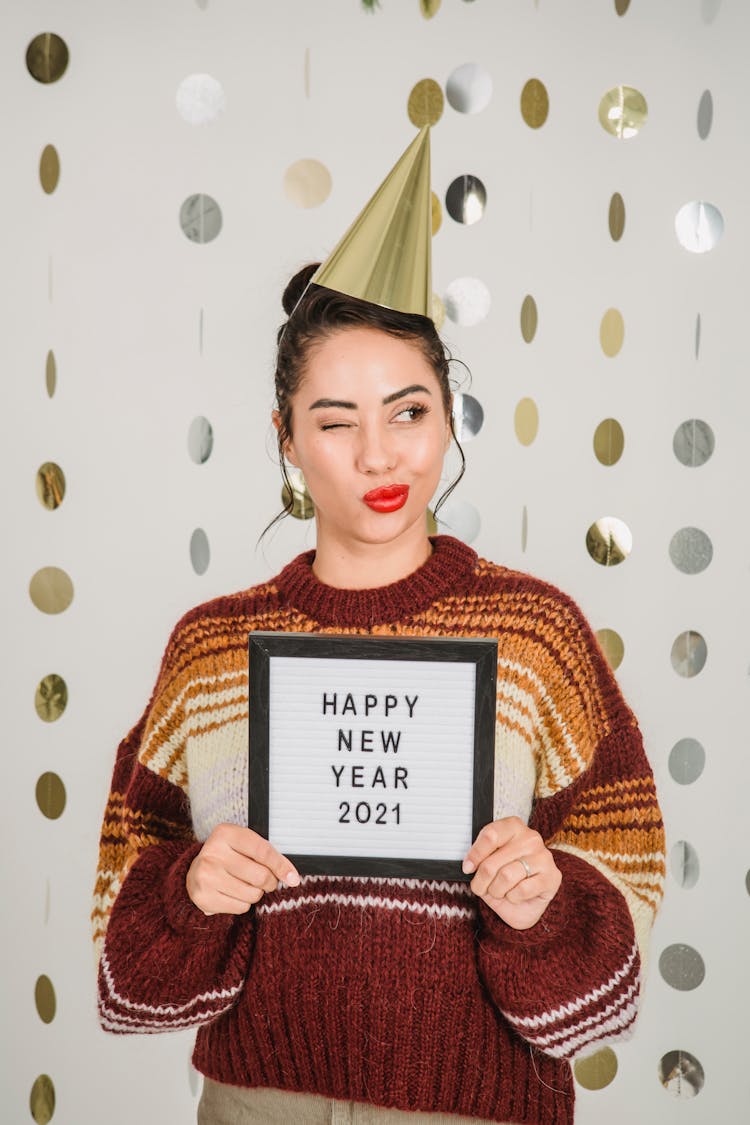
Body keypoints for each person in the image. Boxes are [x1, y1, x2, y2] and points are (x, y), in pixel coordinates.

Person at [92, 129, 665, 1125]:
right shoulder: (211, 648)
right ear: (285, 439)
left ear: (450, 417)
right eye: (334, 419)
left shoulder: (536, 635)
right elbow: (128, 965)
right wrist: (190, 887)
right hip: (256, 1101)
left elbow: (616, 933)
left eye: (407, 411)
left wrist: (546, 904)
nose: (376, 454)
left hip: (480, 1106)